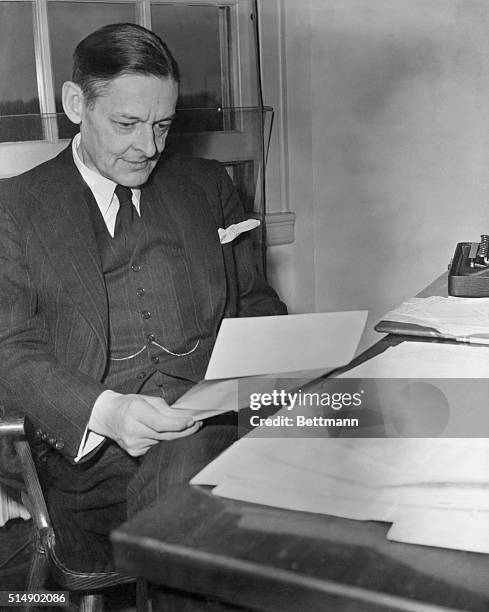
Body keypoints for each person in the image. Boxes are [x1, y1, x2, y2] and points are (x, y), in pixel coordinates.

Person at [0, 22, 286, 571]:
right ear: (76, 103)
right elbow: (10, 351)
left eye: (162, 126)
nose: (148, 147)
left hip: (218, 427)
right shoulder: (15, 208)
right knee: (195, 490)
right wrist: (108, 413)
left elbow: (257, 305)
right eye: (127, 124)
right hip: (91, 464)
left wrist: (272, 373)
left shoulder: (206, 186)